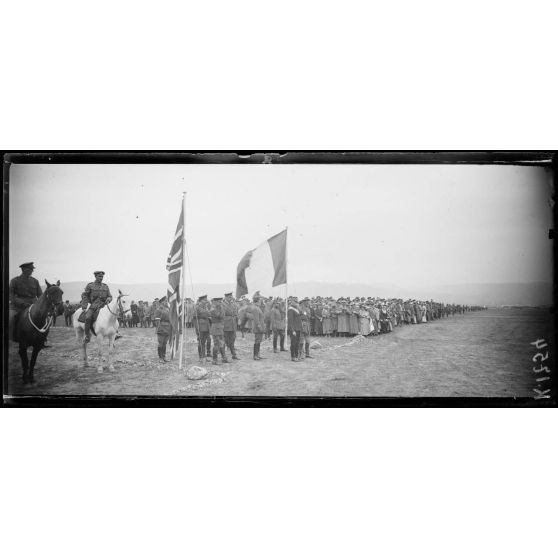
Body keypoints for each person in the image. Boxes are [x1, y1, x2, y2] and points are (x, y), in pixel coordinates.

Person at [9, 262, 44, 343]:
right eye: (30, 269)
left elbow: (40, 295)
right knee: (10, 318)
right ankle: (12, 336)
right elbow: (11, 296)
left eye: (32, 269)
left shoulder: (35, 281)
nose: (32, 271)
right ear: (24, 269)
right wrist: (22, 303)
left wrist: (40, 305)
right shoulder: (14, 281)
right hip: (18, 307)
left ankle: (42, 338)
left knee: (44, 318)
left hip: (33, 306)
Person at [81, 271, 113, 344]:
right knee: (88, 317)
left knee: (112, 316)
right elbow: (85, 296)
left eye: (102, 277)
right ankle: (87, 335)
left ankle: (115, 332)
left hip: (104, 306)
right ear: (95, 276)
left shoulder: (105, 286)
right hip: (93, 306)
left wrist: (109, 299)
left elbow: (110, 296)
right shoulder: (90, 286)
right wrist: (84, 306)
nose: (101, 278)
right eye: (99, 276)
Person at [243, 293, 266, 360]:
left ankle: (258, 354)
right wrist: (260, 327)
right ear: (258, 301)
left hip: (260, 326)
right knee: (257, 341)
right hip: (258, 327)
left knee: (259, 341)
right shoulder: (255, 308)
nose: (261, 302)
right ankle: (255, 355)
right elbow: (256, 320)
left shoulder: (257, 308)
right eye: (260, 300)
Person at [209, 297, 229, 365]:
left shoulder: (219, 308)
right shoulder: (213, 309)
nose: (220, 303)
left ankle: (224, 358)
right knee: (216, 344)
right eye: (219, 302)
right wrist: (221, 309)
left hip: (219, 327)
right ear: (215, 302)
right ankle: (214, 360)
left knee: (222, 343)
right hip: (215, 327)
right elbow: (219, 316)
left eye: (220, 302)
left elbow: (223, 315)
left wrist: (221, 309)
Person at [193, 294, 212, 363]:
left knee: (209, 340)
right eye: (205, 300)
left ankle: (208, 354)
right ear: (201, 300)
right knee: (201, 342)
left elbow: (209, 315)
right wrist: (197, 329)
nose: (206, 301)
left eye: (206, 299)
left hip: (207, 326)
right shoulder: (197, 307)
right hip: (200, 327)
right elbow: (195, 319)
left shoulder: (206, 307)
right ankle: (201, 356)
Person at [153, 295, 171, 363]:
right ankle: (160, 358)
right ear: (162, 302)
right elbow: (157, 321)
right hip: (161, 328)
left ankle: (164, 357)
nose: (166, 302)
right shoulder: (158, 310)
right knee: (161, 343)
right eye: (165, 301)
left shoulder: (167, 309)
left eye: (167, 301)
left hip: (167, 328)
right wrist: (159, 329)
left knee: (165, 343)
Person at [223, 292, 240, 360]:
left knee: (232, 340)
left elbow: (235, 313)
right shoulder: (223, 305)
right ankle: (223, 355)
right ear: (226, 297)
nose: (231, 298)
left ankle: (234, 355)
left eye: (231, 297)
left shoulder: (233, 304)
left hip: (233, 325)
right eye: (229, 297)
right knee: (225, 340)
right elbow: (222, 315)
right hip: (226, 324)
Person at [287, 297, 302, 362]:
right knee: (293, 343)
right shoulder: (290, 309)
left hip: (298, 329)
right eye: (295, 302)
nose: (296, 303)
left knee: (297, 343)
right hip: (294, 329)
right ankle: (293, 356)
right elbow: (290, 321)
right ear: (292, 302)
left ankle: (296, 356)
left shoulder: (296, 309)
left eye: (297, 302)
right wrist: (292, 330)